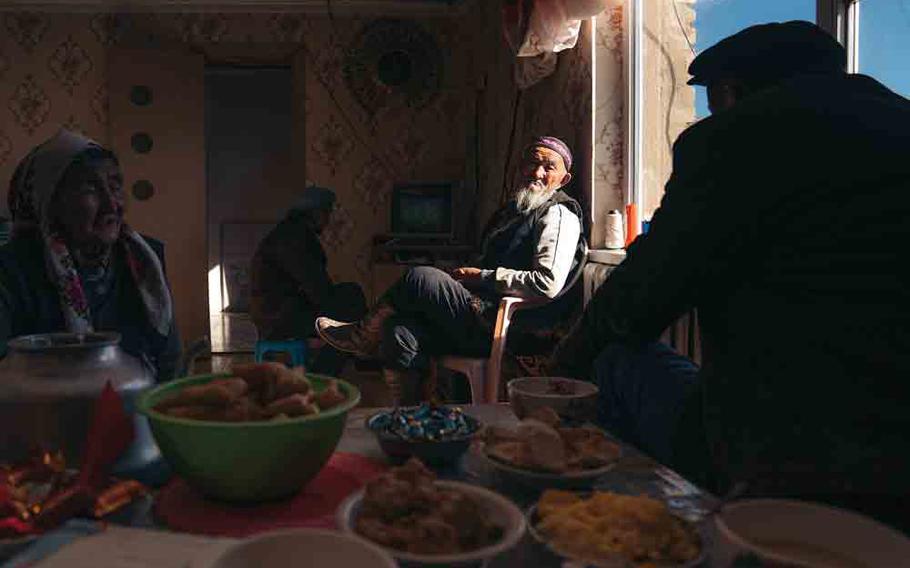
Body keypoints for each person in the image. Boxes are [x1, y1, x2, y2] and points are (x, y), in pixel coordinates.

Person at [548, 21, 910, 531]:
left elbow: (634, 304)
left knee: (614, 361)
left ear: (729, 91)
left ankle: (611, 534)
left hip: (781, 458)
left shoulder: (733, 141)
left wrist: (555, 375)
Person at [317, 136, 587, 403]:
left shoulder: (559, 215)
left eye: (548, 166)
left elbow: (548, 282)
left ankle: (361, 336)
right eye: (532, 163)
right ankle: (412, 417)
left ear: (564, 179)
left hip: (507, 328)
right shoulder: (515, 211)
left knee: (420, 277)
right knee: (398, 331)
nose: (537, 172)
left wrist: (482, 277)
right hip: (480, 317)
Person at [0, 130, 180, 381]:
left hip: (138, 408)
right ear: (50, 201)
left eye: (115, 185)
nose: (112, 204)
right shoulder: (13, 270)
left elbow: (168, 363)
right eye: (90, 188)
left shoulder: (144, 260)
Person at [248, 186, 367, 375]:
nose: (328, 221)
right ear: (317, 214)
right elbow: (318, 290)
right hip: (281, 317)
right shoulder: (296, 238)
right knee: (351, 299)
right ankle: (325, 371)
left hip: (275, 313)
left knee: (349, 296)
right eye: (327, 214)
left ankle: (353, 353)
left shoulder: (288, 232)